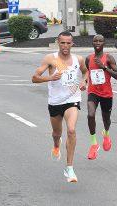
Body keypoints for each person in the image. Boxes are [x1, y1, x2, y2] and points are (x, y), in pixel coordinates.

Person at [32, 31, 88, 182]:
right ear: (58, 42)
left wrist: (84, 81)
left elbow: (85, 72)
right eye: (62, 42)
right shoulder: (50, 59)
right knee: (57, 133)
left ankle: (69, 168)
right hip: (55, 102)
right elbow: (34, 78)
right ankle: (56, 145)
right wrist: (50, 77)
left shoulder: (79, 59)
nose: (65, 46)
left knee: (71, 130)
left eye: (68, 43)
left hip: (72, 100)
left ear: (72, 44)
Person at [86, 35, 117, 160]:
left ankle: (106, 133)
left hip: (106, 93)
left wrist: (104, 67)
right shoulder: (88, 58)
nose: (97, 43)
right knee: (90, 114)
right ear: (92, 42)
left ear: (104, 43)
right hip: (93, 92)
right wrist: (84, 81)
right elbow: (88, 72)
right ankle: (94, 143)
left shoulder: (109, 58)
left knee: (106, 119)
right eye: (95, 40)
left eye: (100, 41)